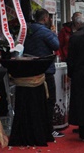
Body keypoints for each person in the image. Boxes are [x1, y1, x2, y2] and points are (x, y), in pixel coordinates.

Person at [24, 8, 62, 140]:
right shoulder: (45, 32)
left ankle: (35, 128)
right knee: (49, 100)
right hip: (45, 70)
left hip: (30, 70)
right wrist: (54, 34)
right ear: (45, 18)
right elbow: (56, 45)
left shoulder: (27, 30)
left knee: (35, 101)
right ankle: (48, 129)